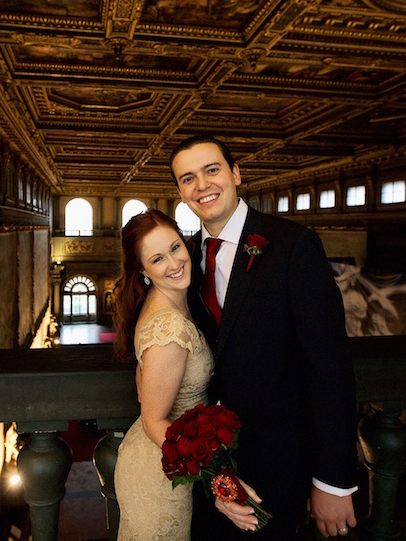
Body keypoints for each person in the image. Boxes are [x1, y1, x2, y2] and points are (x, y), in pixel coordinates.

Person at [169, 135, 359, 539]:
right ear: (181, 193)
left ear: (236, 174)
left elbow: (331, 369)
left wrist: (333, 481)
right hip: (210, 470)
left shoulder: (294, 246)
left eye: (212, 170)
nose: (202, 185)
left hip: (281, 466)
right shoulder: (184, 259)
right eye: (188, 178)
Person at [112, 209, 214, 540]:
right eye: (157, 259)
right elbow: (155, 420)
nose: (173, 263)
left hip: (168, 463)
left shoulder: (168, 300)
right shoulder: (169, 326)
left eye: (175, 248)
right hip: (160, 474)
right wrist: (216, 475)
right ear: (142, 270)